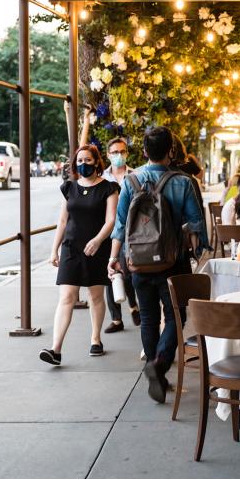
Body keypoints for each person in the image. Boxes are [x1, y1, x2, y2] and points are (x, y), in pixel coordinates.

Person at [108, 126, 207, 404]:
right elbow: (194, 224)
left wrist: (114, 257)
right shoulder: (183, 182)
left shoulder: (131, 180)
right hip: (172, 262)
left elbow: (121, 224)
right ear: (171, 151)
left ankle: (155, 369)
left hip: (138, 261)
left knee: (149, 318)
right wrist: (197, 249)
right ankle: (160, 364)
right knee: (177, 317)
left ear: (143, 152)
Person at [39, 145, 120, 366]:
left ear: (97, 162)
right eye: (80, 160)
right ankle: (56, 349)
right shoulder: (69, 188)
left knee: (95, 296)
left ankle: (95, 338)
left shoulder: (109, 188)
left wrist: (97, 240)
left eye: (88, 160)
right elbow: (63, 221)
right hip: (71, 248)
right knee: (66, 297)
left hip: (96, 248)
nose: (83, 164)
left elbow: (111, 220)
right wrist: (54, 249)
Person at [101, 137, 140, 333]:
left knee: (129, 272)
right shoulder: (102, 177)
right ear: (108, 155)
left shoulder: (135, 176)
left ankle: (134, 306)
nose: (119, 155)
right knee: (111, 273)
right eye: (115, 152)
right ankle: (116, 319)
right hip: (108, 232)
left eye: (122, 152)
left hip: (131, 233)